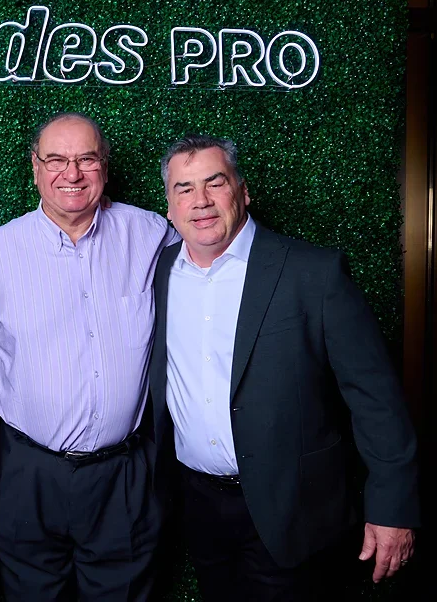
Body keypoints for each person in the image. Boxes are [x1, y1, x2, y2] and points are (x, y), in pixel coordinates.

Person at [148, 134, 420, 601]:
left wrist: (393, 508)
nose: (201, 202)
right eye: (184, 189)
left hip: (295, 508)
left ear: (243, 191)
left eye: (215, 183)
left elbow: (376, 399)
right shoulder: (158, 273)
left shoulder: (313, 273)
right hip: (199, 505)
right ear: (169, 207)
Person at [0, 112, 178, 601]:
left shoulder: (152, 234)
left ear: (105, 165)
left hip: (123, 473)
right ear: (34, 168)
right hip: (27, 473)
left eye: (86, 159)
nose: (72, 173)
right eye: (56, 159)